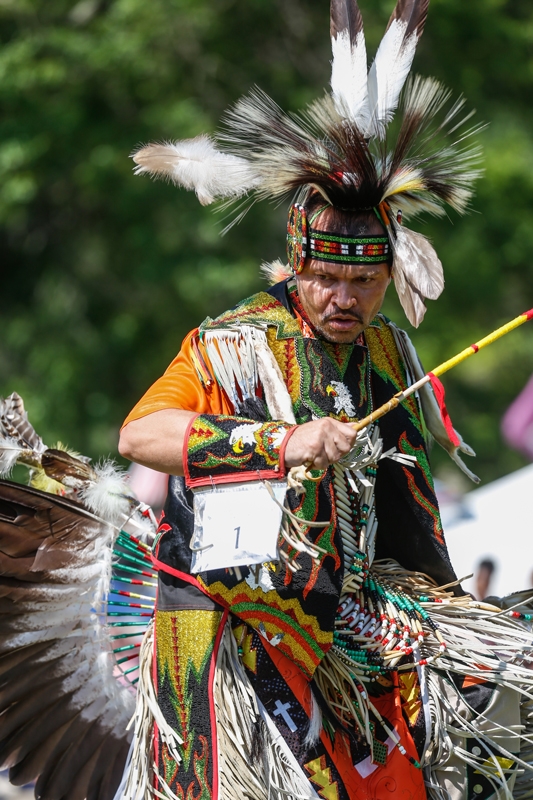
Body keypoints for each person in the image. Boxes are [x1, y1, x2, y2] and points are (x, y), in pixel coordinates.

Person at [118, 2, 533, 799]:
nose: (344, 298)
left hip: (337, 624)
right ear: (295, 262)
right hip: (222, 631)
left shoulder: (383, 351)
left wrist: (449, 616)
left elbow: (406, 505)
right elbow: (142, 435)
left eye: (364, 281)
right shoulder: (232, 344)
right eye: (326, 278)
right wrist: (280, 443)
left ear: (390, 274)